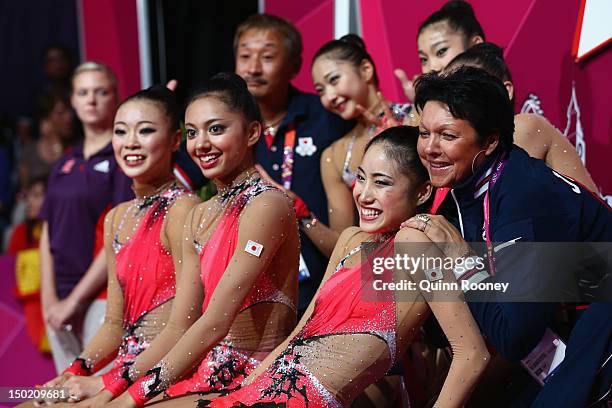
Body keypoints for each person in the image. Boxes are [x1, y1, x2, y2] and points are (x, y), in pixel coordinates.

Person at [195, 126, 489, 408]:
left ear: (423, 192)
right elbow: (300, 333)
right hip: (266, 392)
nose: (364, 194)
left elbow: (472, 354)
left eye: (382, 182)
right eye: (361, 178)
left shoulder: (413, 244)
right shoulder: (350, 240)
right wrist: (242, 393)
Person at [84, 73, 299, 408]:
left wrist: (128, 397)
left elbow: (215, 321)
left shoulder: (266, 204)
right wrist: (111, 387)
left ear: (253, 132)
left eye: (216, 129)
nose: (201, 144)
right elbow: (177, 327)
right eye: (194, 132)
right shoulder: (200, 215)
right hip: (205, 373)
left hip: (257, 378)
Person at [404, 66, 612, 404]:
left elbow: (514, 337)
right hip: (556, 334)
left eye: (447, 135)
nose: (429, 148)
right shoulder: (464, 186)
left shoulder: (527, 197)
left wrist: (459, 256)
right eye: (423, 133)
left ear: (489, 140)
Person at [20, 86, 200, 407]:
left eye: (145, 131)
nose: (130, 142)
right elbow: (115, 324)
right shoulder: (117, 217)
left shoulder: (183, 210)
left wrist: (107, 383)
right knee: (27, 402)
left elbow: (183, 326)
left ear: (175, 140)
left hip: (168, 370)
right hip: (125, 366)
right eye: (121, 131)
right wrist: (73, 370)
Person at [234, 13, 352, 312]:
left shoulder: (326, 116)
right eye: (245, 56)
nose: (253, 67)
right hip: (251, 290)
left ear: (294, 66)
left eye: (268, 57)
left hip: (324, 285)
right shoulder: (228, 124)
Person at [39, 62, 134, 373]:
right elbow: (47, 233)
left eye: (100, 92)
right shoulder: (64, 163)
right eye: (83, 93)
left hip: (102, 295)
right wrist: (50, 299)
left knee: (95, 392)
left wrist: (76, 301)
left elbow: (119, 235)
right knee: (65, 395)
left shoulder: (124, 158)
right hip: (60, 300)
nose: (91, 100)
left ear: (115, 98)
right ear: (73, 101)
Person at [307, 34, 416, 258]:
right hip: (374, 265)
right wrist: (300, 214)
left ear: (366, 69)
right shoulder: (334, 155)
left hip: (424, 249)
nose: (329, 96)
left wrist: (402, 140)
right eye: (320, 90)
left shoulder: (415, 120)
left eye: (334, 80)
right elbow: (342, 244)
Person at [443, 42, 598, 192]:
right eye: (447, 94)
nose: (456, 102)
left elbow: (498, 202)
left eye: (468, 92)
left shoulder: (524, 125)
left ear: (505, 90)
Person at [7, 177, 48, 354]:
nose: (30, 202)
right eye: (29, 196)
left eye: (37, 196)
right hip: (27, 304)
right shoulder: (20, 232)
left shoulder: (60, 229)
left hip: (56, 301)